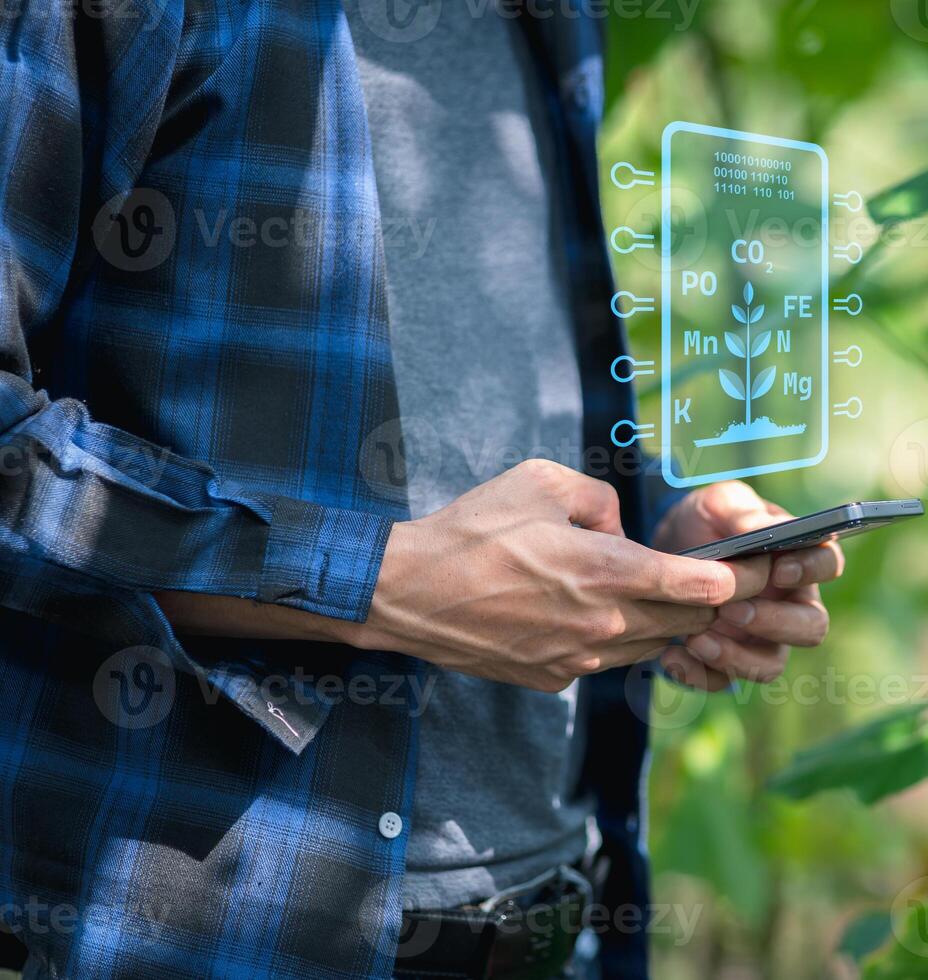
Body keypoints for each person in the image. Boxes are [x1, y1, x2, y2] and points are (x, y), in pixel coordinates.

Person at [0, 0, 842, 977]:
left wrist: (654, 533)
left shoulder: (555, 19)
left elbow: (474, 402)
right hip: (206, 929)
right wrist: (377, 580)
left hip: (553, 913)